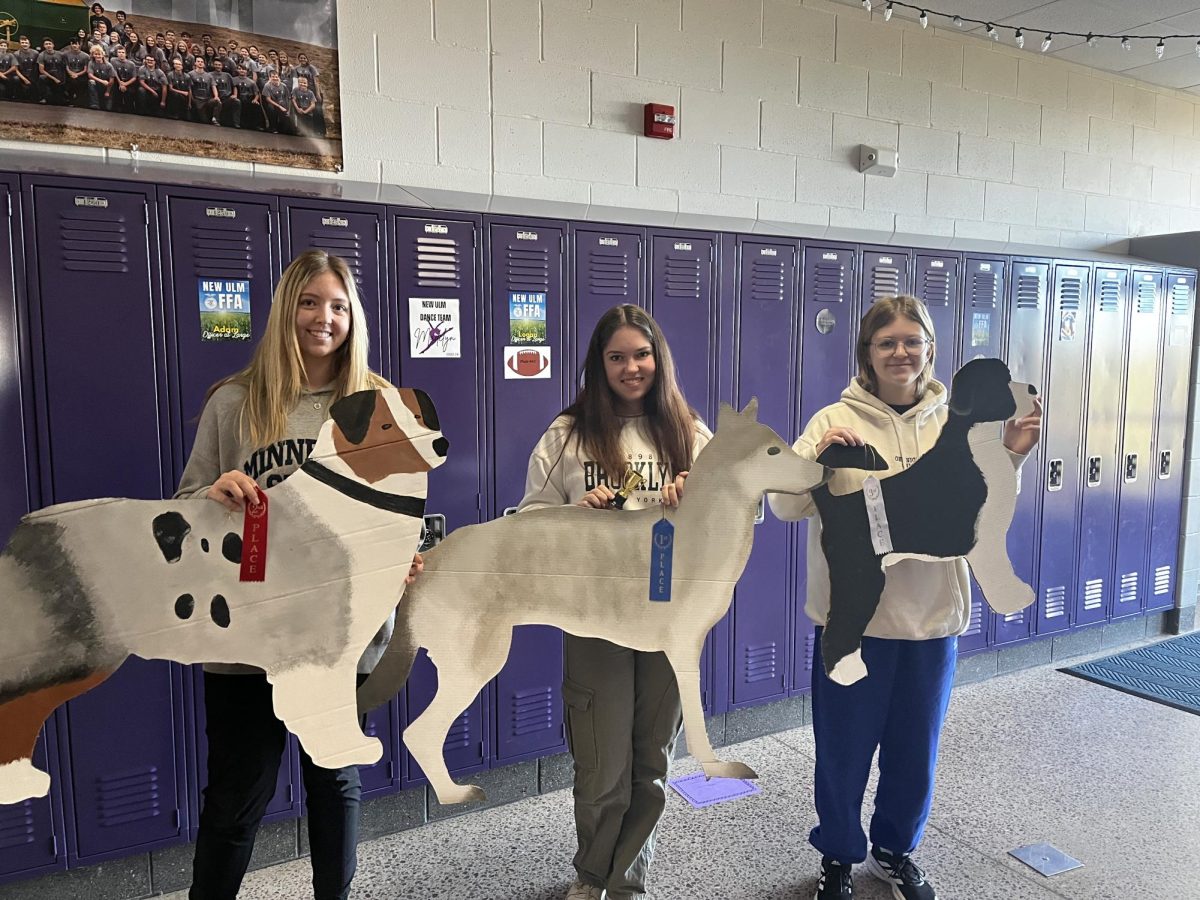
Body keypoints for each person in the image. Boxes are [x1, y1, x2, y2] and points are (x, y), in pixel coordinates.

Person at [767, 295, 1041, 900]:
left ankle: (894, 850)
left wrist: (1014, 456)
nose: (901, 353)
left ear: (930, 350)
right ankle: (838, 854)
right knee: (843, 752)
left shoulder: (959, 420)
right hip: (855, 622)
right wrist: (813, 456)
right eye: (887, 342)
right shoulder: (831, 418)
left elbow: (982, 510)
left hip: (934, 619)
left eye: (912, 341)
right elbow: (784, 505)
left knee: (915, 754)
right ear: (867, 353)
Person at [178, 250, 422, 900]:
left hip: (338, 638)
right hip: (247, 639)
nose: (324, 318)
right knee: (234, 799)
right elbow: (184, 505)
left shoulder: (376, 406)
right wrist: (213, 494)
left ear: (353, 318)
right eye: (310, 302)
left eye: (339, 305)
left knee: (334, 785)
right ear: (288, 310)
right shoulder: (233, 403)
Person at [516, 304, 710, 900]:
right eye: (617, 357)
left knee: (651, 758)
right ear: (598, 365)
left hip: (668, 620)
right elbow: (527, 523)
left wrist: (696, 500)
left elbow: (737, 519)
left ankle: (627, 880)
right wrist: (574, 517)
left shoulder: (690, 433)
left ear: (660, 359)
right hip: (596, 617)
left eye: (642, 354)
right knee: (602, 763)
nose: (632, 367)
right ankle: (592, 874)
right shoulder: (568, 435)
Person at [186, 55, 218, 124]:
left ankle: (215, 119)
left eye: (202, 62)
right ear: (195, 63)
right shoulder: (190, 74)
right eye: (198, 61)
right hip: (196, 99)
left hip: (206, 99)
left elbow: (213, 86)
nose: (200, 63)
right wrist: (191, 99)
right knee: (203, 121)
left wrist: (216, 96)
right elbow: (189, 88)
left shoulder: (209, 75)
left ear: (204, 64)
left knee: (217, 102)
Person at [260, 68, 292, 133]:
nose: (275, 78)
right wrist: (279, 107)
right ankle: (272, 127)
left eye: (276, 77)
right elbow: (268, 99)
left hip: (283, 105)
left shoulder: (283, 86)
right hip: (273, 104)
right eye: (273, 77)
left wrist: (288, 110)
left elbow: (288, 98)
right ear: (269, 77)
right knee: (271, 109)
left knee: (287, 127)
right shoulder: (267, 86)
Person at [231, 62, 261, 130]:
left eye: (243, 69)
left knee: (256, 105)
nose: (241, 70)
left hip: (248, 99)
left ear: (246, 71)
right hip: (237, 98)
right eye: (239, 69)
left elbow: (257, 93)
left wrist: (255, 99)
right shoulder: (233, 79)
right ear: (237, 70)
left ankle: (255, 126)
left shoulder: (251, 82)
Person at [135, 51, 166, 116]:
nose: (149, 61)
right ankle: (141, 110)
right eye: (148, 60)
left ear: (155, 62)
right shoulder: (142, 69)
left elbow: (164, 87)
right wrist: (152, 91)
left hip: (157, 90)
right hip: (147, 89)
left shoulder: (160, 72)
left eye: (151, 60)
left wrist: (163, 101)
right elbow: (141, 82)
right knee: (141, 90)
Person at [85, 44, 115, 110]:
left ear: (102, 55)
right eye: (95, 54)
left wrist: (107, 91)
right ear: (92, 55)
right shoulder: (91, 63)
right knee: (91, 82)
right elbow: (90, 75)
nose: (98, 56)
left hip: (108, 86)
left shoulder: (108, 65)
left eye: (99, 54)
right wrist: (101, 81)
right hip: (97, 84)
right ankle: (94, 104)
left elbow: (112, 80)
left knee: (108, 108)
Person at [36, 38, 66, 105]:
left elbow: (65, 67)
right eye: (46, 44)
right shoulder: (41, 55)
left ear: (53, 45)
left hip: (59, 77)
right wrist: (54, 79)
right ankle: (43, 97)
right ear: (44, 46)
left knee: (60, 101)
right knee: (42, 77)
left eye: (50, 44)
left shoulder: (61, 54)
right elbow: (42, 70)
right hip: (49, 77)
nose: (48, 45)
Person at [110, 44, 138, 113]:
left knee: (129, 96)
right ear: (117, 53)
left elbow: (134, 77)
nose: (121, 54)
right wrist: (120, 84)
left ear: (126, 54)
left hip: (128, 83)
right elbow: (115, 73)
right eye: (119, 52)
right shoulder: (113, 60)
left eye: (123, 52)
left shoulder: (131, 64)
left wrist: (125, 84)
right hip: (118, 82)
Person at [63, 37, 91, 105]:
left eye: (76, 44)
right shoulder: (66, 54)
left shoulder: (86, 56)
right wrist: (71, 73)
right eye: (73, 44)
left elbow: (85, 69)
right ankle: (70, 99)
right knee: (69, 81)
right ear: (71, 44)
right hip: (70, 74)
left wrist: (77, 74)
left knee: (79, 82)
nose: (75, 46)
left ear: (79, 45)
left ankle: (78, 100)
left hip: (81, 75)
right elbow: (67, 66)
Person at [210, 57, 237, 125]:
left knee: (237, 102)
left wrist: (235, 95)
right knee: (217, 102)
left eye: (219, 65)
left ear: (222, 66)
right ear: (213, 65)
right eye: (216, 64)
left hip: (226, 98)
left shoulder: (227, 75)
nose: (217, 66)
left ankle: (236, 123)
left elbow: (235, 86)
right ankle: (215, 119)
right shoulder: (210, 75)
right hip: (214, 97)